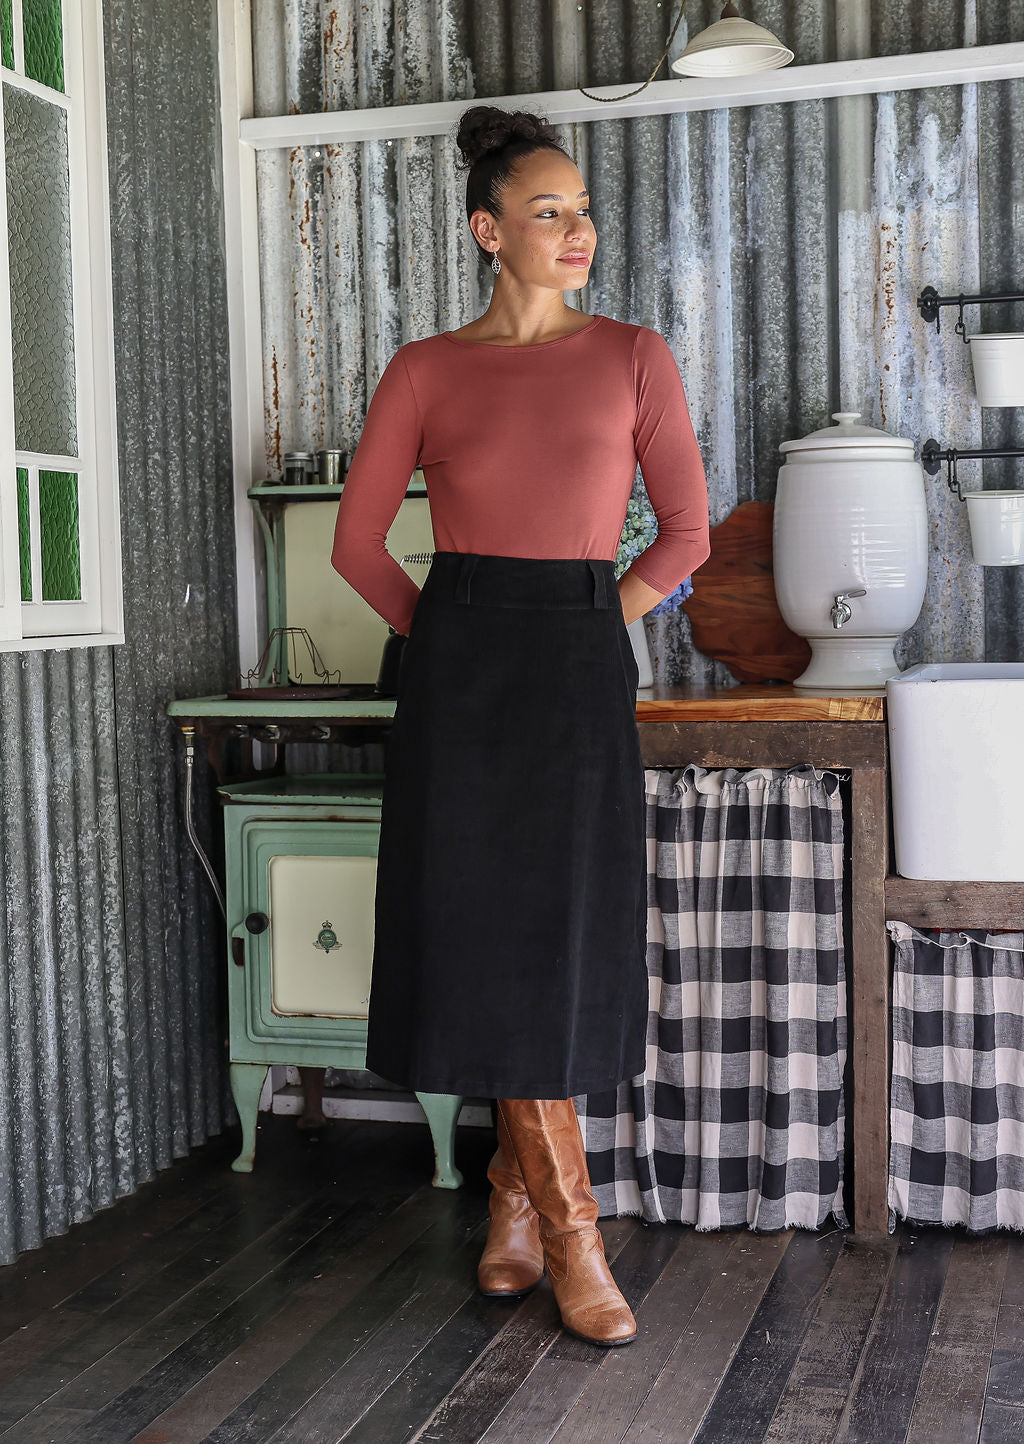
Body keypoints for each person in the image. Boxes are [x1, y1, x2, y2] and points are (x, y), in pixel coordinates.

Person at [331, 103, 710, 1348]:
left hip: (576, 660)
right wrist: (441, 636)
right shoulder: (426, 369)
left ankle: (516, 1203)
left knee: (554, 938)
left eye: (583, 210)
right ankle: (569, 1234)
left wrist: (602, 622)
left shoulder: (635, 357)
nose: (577, 229)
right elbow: (356, 543)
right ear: (489, 230)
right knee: (484, 935)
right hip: (461, 675)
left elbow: (690, 535)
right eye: (548, 212)